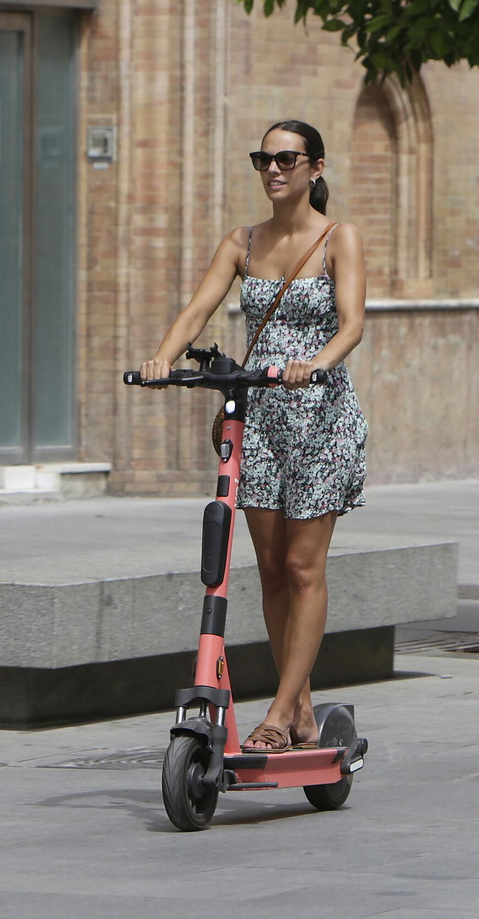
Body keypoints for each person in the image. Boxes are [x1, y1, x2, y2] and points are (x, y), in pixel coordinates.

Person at [138, 120, 369, 753]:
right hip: (260, 416)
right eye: (263, 159)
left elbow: (352, 324)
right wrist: (163, 358)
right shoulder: (241, 241)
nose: (273, 169)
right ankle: (301, 710)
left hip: (320, 417)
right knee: (269, 568)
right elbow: (197, 310)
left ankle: (278, 711)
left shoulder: (337, 239)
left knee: (302, 566)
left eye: (287, 159)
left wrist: (315, 363)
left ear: (315, 168)